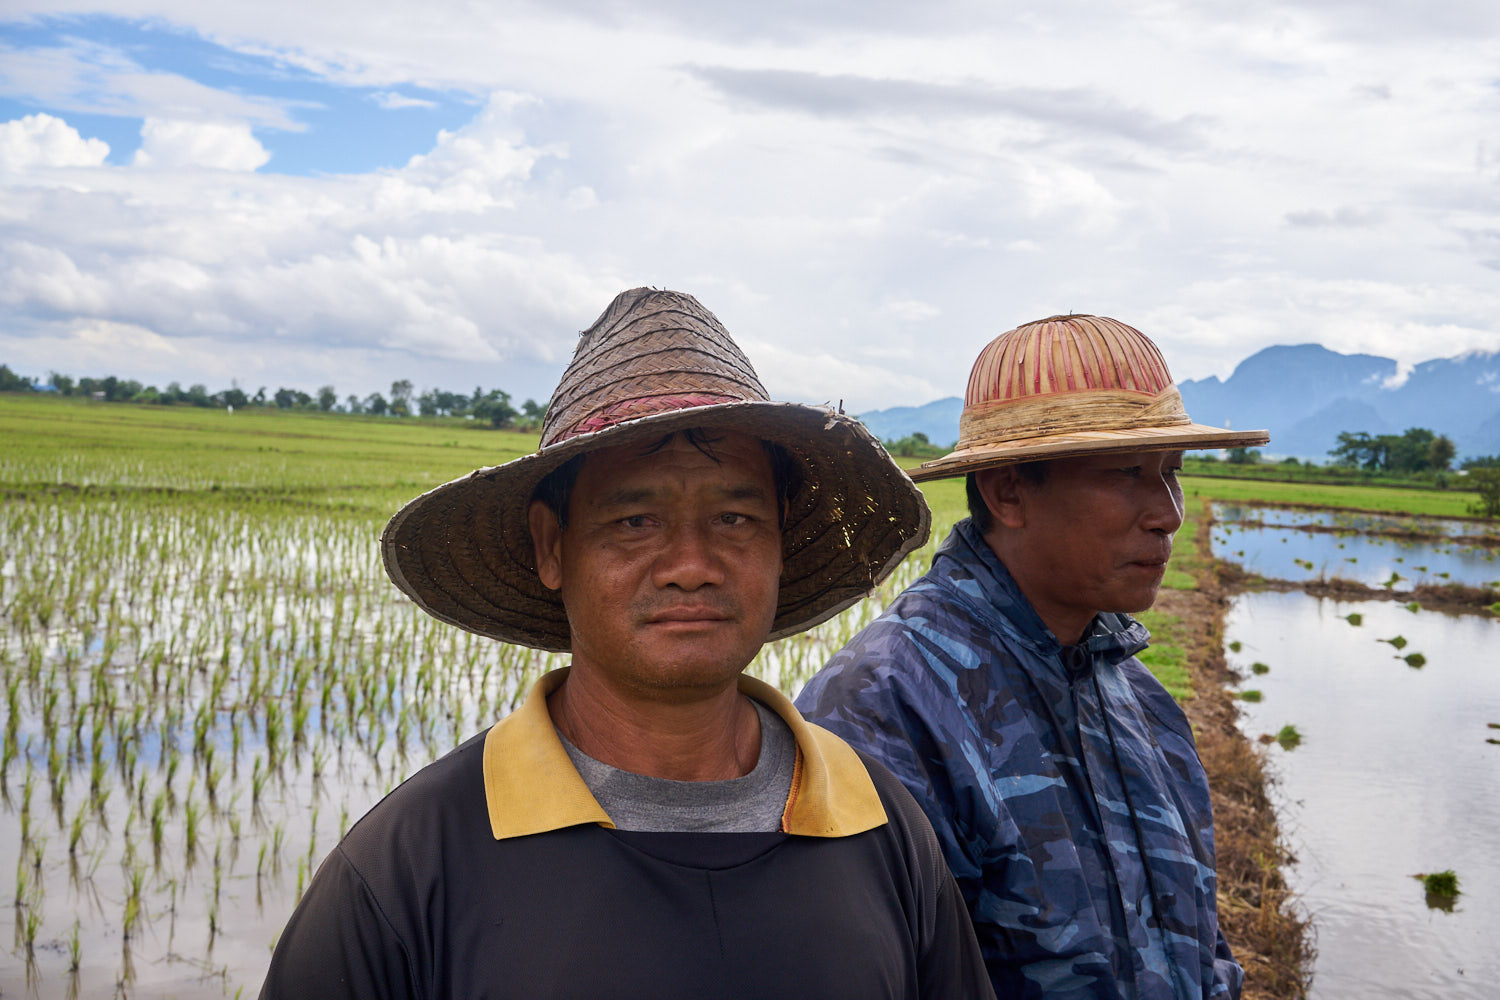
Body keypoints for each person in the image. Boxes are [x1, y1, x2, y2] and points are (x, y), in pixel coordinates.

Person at [260, 287, 995, 1000]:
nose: (691, 567)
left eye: (735, 519)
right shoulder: (413, 861)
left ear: (780, 542)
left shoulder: (879, 822)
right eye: (635, 521)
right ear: (553, 547)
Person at [796, 314, 1269, 1000]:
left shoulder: (1140, 701)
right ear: (1009, 491)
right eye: (1128, 473)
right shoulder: (887, 707)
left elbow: (1202, 947)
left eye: (1172, 472)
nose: (1168, 512)